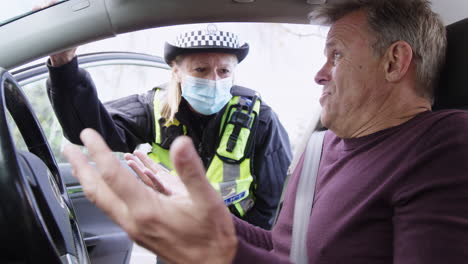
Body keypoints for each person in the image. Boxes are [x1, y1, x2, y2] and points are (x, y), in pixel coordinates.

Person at [64, 0, 468, 263]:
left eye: (337, 55)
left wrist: (220, 252)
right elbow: (282, 248)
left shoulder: (444, 146)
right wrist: (208, 214)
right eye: (200, 71)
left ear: (395, 62)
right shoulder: (323, 148)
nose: (319, 74)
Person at [47, 26, 292, 229]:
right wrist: (63, 65)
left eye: (224, 71)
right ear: (176, 72)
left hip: (237, 237)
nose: (214, 81)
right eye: (201, 69)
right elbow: (90, 129)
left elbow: (275, 199)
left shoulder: (260, 119)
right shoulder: (153, 108)